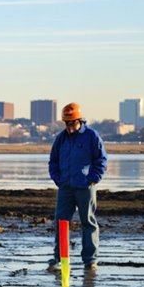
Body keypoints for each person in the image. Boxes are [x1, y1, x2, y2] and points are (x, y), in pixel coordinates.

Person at [48, 103, 108, 272]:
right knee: (61, 222)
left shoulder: (91, 136)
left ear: (79, 120)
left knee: (88, 221)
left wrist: (93, 179)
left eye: (72, 123)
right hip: (65, 187)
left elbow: (101, 160)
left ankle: (90, 260)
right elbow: (53, 161)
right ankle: (59, 258)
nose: (70, 128)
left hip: (85, 187)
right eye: (67, 124)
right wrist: (58, 179)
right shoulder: (61, 138)